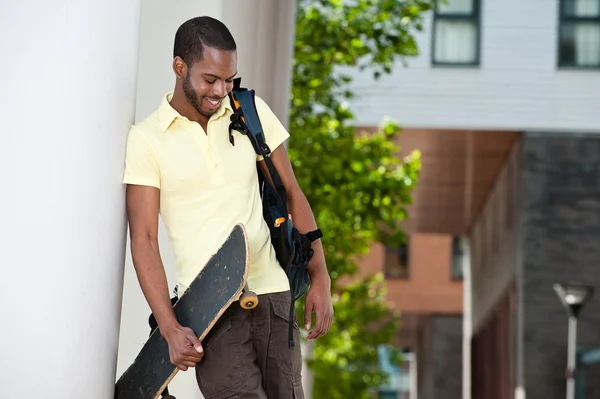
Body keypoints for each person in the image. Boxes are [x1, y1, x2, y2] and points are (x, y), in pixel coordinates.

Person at [122, 15, 333, 398]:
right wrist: (169, 327)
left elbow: (291, 192)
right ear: (179, 67)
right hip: (211, 310)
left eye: (229, 79)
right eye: (210, 79)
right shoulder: (147, 139)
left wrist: (321, 277)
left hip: (274, 297)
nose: (222, 90)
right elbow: (144, 239)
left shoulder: (248, 111)